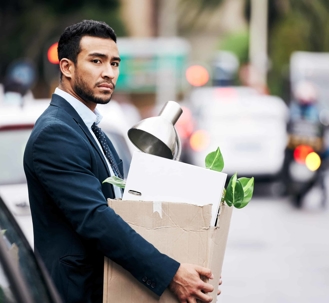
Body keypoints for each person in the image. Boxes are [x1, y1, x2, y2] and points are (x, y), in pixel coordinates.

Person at [24, 20, 215, 303]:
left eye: (114, 63)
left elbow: (123, 208)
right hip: (77, 294)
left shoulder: (93, 129)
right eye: (96, 61)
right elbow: (96, 219)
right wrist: (172, 273)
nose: (108, 72)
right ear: (66, 67)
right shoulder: (56, 132)